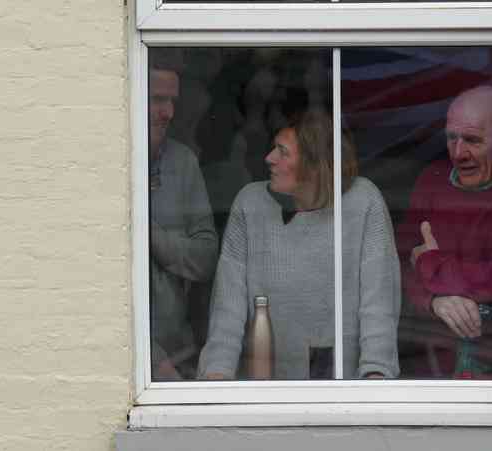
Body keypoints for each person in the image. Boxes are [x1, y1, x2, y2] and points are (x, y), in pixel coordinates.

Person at [198, 110, 401, 380]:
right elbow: (229, 306)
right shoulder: (250, 203)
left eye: (282, 152)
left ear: (315, 164)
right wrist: (217, 372)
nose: (268, 158)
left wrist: (376, 373)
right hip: (265, 381)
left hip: (345, 384)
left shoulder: (363, 201)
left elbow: (379, 301)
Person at [396, 85, 492, 378]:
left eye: (472, 140)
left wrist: (431, 263)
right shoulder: (431, 180)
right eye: (451, 138)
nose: (458, 153)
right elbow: (398, 266)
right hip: (428, 363)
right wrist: (433, 301)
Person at [148, 49, 219, 380]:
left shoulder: (183, 162)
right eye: (157, 100)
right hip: (138, 360)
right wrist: (153, 360)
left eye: (172, 101)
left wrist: (151, 238)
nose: (168, 112)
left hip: (183, 352)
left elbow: (205, 258)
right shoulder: (111, 162)